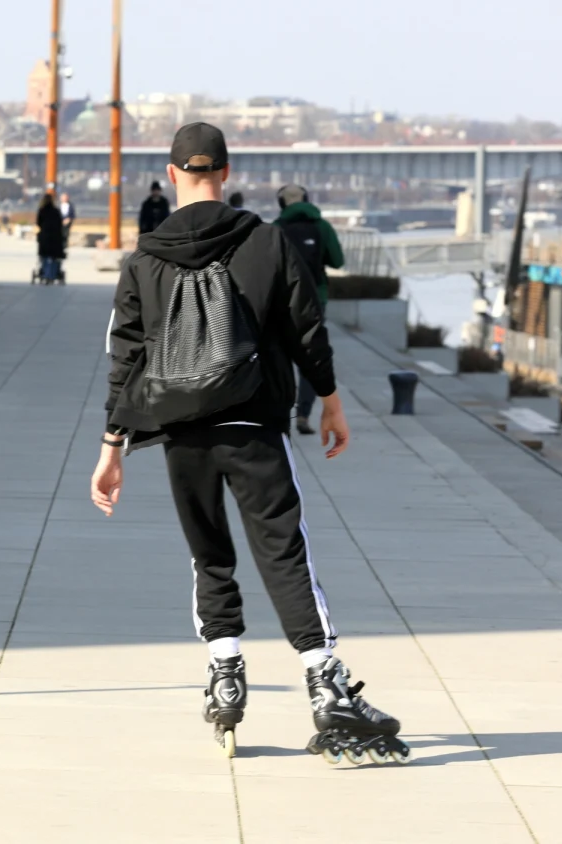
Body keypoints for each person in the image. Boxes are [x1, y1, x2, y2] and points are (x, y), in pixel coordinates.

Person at [92, 122, 408, 764]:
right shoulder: (265, 241)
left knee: (209, 555)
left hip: (180, 430)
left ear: (173, 172)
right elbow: (305, 329)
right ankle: (326, 683)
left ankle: (226, 672)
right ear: (227, 173)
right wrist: (330, 401)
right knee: (286, 554)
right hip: (254, 425)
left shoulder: (145, 259)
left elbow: (125, 355)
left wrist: (112, 445)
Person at [274, 184, 345, 435]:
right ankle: (303, 414)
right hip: (316, 297)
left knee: (280, 354)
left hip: (282, 300)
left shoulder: (275, 229)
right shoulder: (322, 227)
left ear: (281, 203)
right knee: (311, 355)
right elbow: (338, 260)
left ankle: (281, 413)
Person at [35, 193, 65, 283]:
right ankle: (52, 274)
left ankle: (45, 273)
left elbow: (38, 223)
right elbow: (60, 223)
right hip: (55, 237)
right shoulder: (56, 211)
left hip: (45, 236)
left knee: (44, 256)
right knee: (54, 257)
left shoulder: (42, 210)